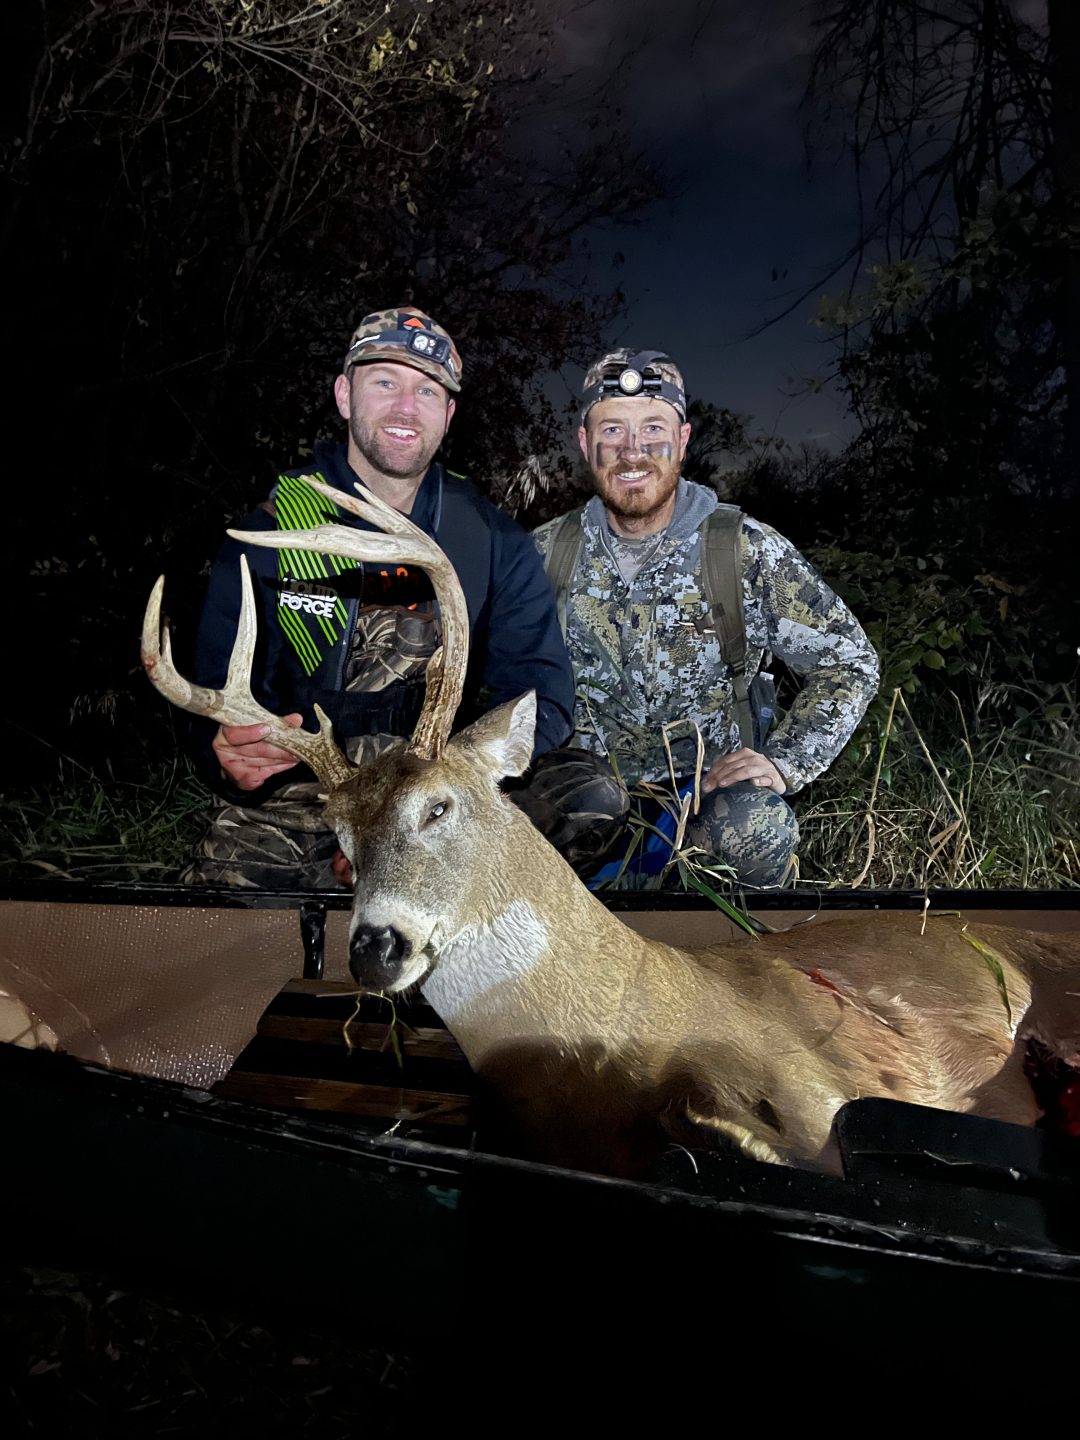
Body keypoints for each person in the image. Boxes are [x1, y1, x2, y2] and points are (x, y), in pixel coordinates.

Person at [182, 307, 627, 888]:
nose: (405, 408)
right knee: (226, 900)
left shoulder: (491, 541)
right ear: (345, 395)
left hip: (438, 791)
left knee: (586, 798)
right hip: (309, 793)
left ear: (448, 415)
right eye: (385, 382)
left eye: (427, 391)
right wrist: (227, 753)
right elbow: (211, 699)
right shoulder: (270, 531)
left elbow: (541, 696)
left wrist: (438, 794)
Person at [533, 348, 881, 888]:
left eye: (653, 428)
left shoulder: (742, 549)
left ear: (683, 439)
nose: (633, 450)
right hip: (584, 811)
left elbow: (850, 663)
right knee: (515, 817)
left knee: (757, 827)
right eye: (613, 430)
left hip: (701, 807)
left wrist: (785, 761)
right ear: (585, 442)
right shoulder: (543, 554)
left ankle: (719, 938)